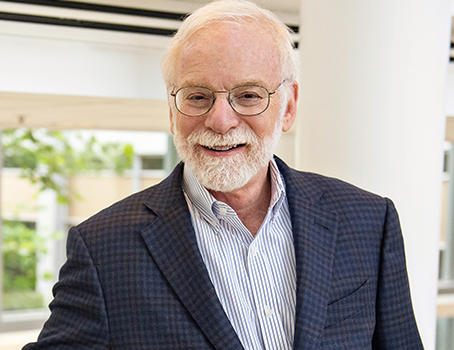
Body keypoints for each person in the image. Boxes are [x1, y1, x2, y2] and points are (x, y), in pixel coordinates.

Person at [23, 0, 423, 349]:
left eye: (248, 95)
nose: (219, 120)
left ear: (287, 107)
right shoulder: (103, 248)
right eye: (197, 96)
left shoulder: (368, 221)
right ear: (171, 109)